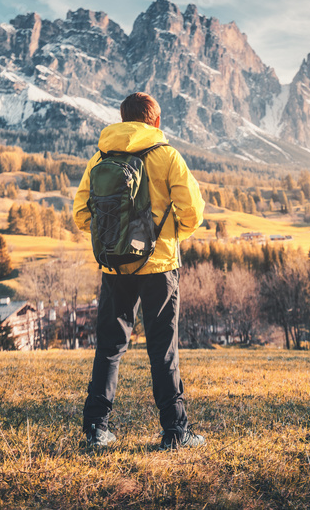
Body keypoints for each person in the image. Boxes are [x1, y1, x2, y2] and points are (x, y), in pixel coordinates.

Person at [73, 92, 206, 450]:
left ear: (122, 118)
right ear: (155, 122)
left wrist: (113, 238)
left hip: (115, 267)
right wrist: (171, 233)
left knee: (110, 347)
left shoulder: (100, 157)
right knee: (163, 348)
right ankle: (175, 432)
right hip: (160, 266)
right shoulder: (166, 156)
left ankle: (95, 430)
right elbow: (193, 211)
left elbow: (81, 214)